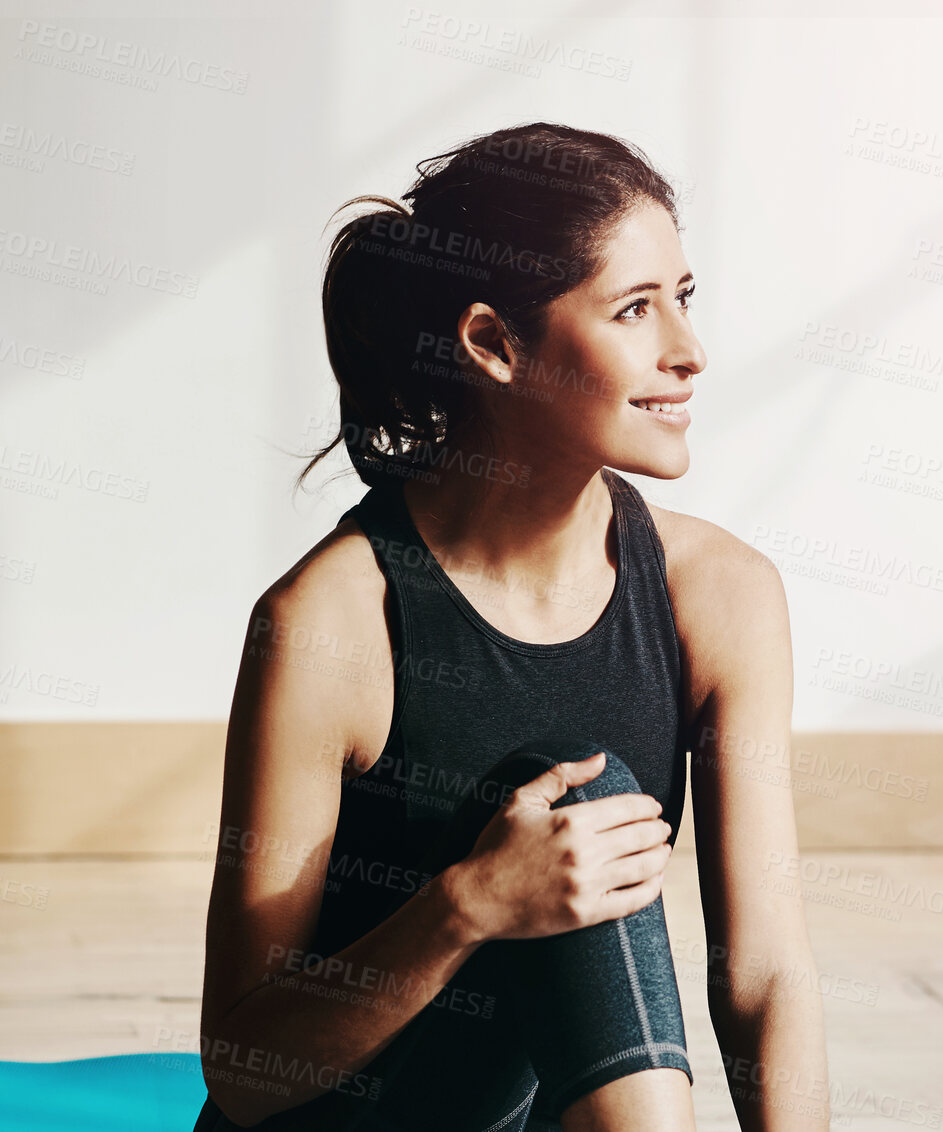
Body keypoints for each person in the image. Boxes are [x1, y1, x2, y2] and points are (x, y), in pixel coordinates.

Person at [190, 122, 828, 1131]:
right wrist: (470, 905)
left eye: (684, 297)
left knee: (583, 796)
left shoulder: (722, 595)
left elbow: (763, 978)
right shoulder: (331, 623)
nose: (688, 351)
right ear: (492, 342)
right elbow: (242, 1069)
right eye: (633, 309)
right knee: (583, 794)